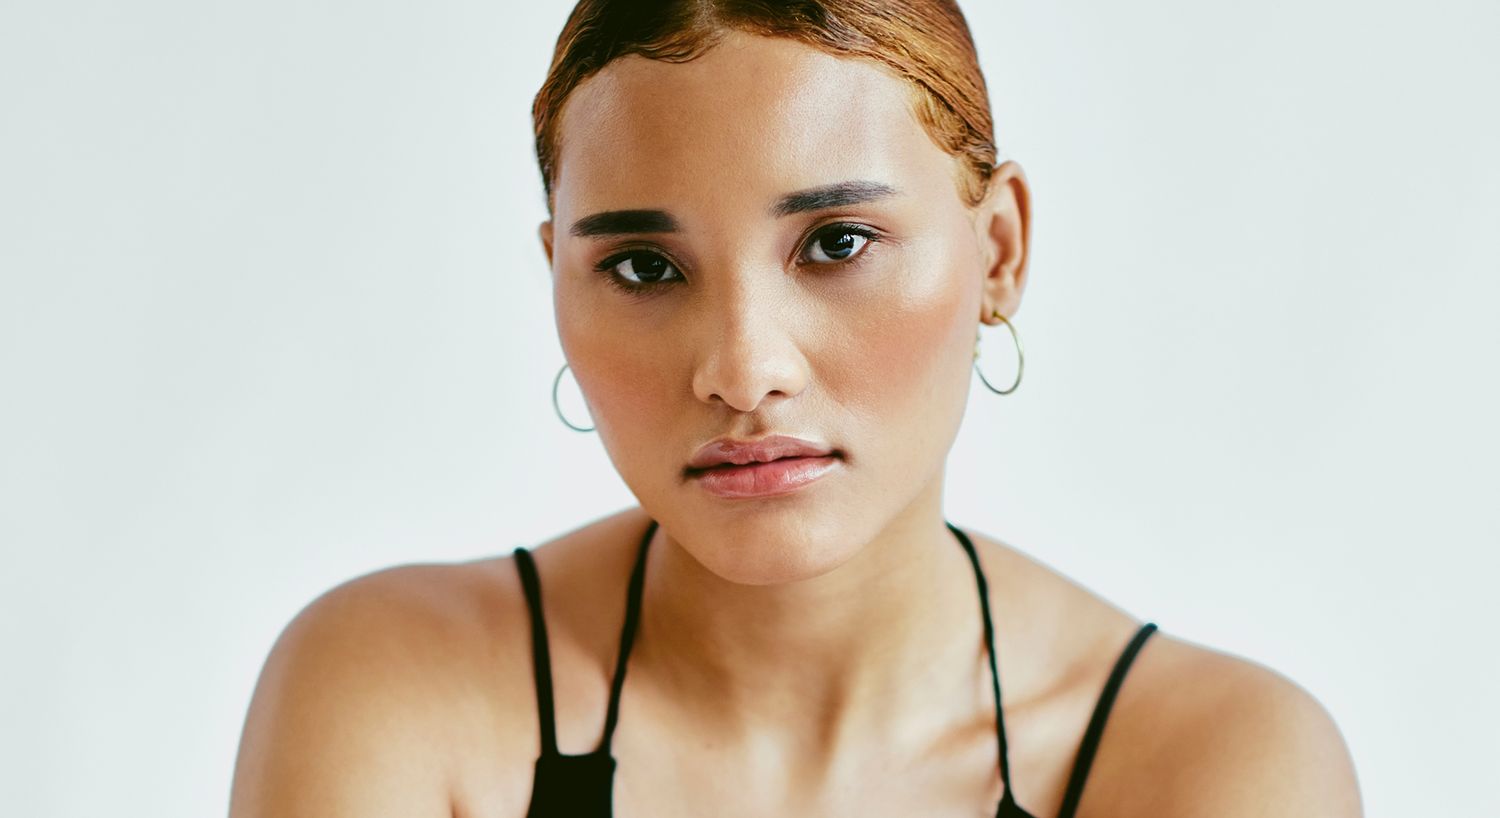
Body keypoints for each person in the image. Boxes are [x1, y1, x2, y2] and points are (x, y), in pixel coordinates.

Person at [229, 2, 1362, 816]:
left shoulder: (1214, 763)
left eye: (836, 243)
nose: (743, 366)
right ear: (558, 279)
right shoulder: (392, 689)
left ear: (999, 250)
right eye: (641, 266)